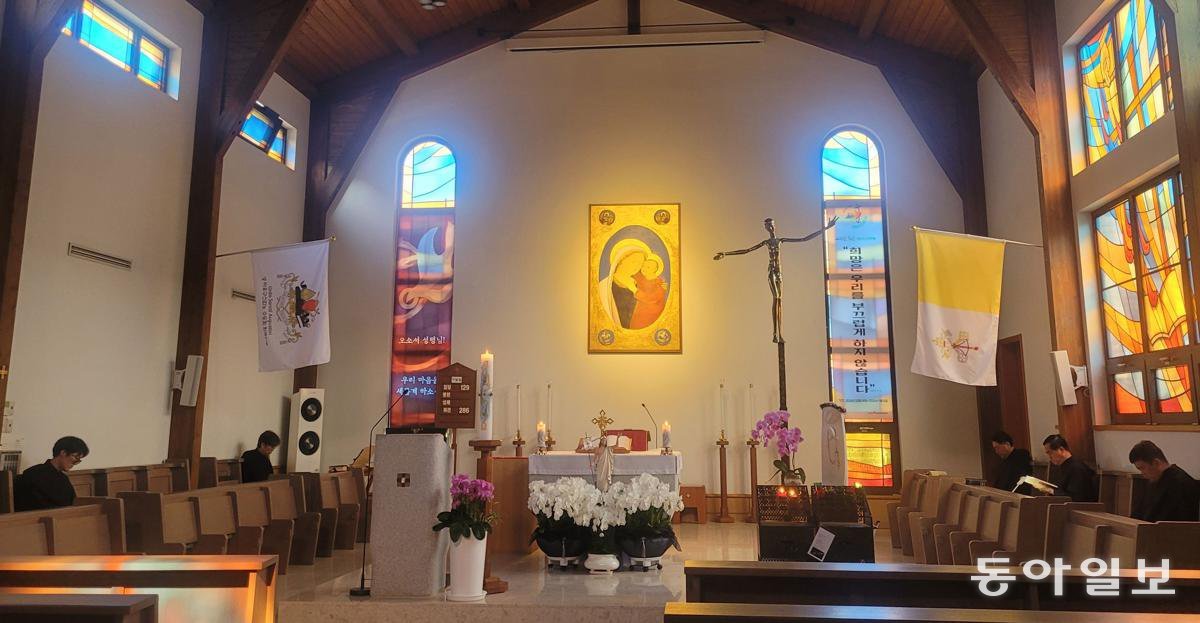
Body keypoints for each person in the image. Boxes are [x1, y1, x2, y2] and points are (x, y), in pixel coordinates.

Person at [1128, 440, 1199, 522]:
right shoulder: (1154, 481)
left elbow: (1177, 521)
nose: (1142, 473)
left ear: (1156, 463)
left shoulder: (1180, 483)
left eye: (1142, 468)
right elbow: (1138, 513)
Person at [14, 436, 89, 511]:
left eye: (79, 460)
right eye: (76, 457)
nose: (76, 463)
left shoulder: (64, 478)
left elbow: (73, 503)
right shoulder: (33, 474)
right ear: (63, 453)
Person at [1042, 434, 1097, 502]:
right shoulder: (1064, 466)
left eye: (1050, 452)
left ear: (1061, 449)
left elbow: (1074, 498)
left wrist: (1051, 490)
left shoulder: (1077, 468)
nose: (1049, 457)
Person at [630, 254, 667, 329]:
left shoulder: (660, 284)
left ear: (655, 269)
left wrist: (635, 290)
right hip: (640, 311)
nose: (644, 269)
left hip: (652, 313)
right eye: (643, 266)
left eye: (648, 267)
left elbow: (651, 298)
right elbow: (630, 274)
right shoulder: (640, 277)